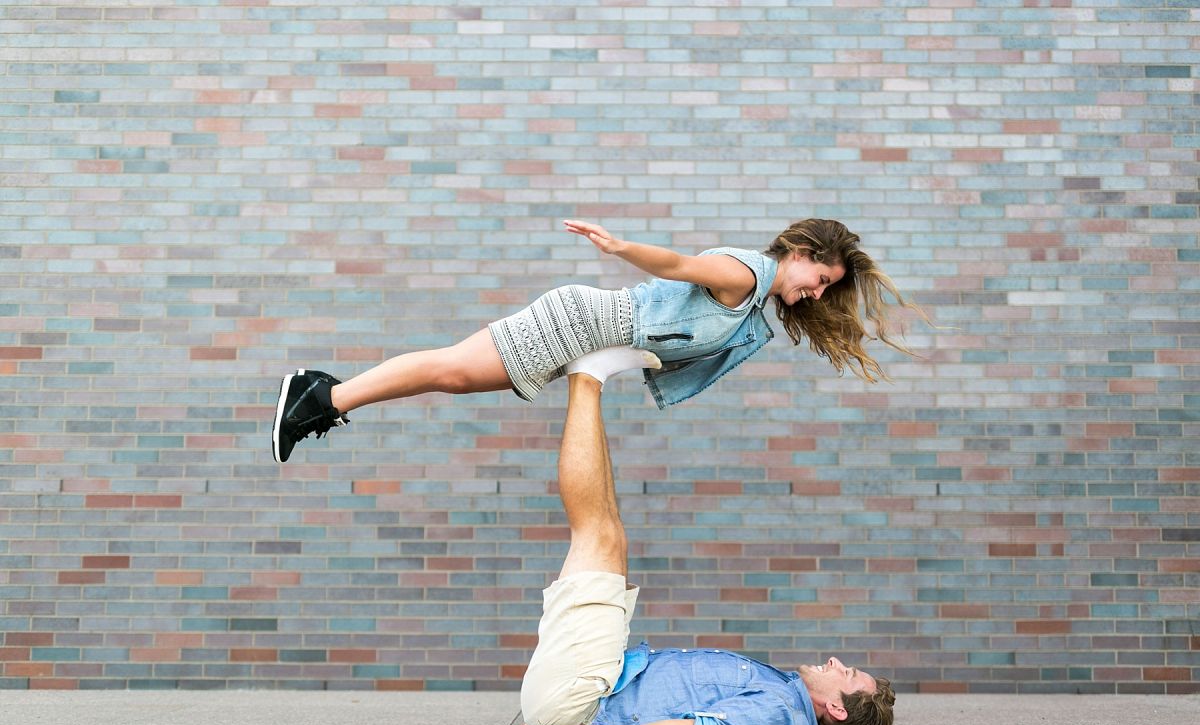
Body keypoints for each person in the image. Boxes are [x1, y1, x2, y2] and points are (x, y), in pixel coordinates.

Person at [272, 218, 922, 462]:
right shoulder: (747, 272)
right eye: (819, 279)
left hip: (589, 334)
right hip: (582, 322)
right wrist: (623, 247)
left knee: (452, 373)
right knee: (451, 371)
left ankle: (327, 398)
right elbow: (677, 265)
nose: (815, 293)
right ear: (801, 251)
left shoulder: (757, 309)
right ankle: (320, 397)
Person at [504, 353, 895, 725]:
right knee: (612, 535)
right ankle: (590, 375)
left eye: (845, 672)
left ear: (836, 708)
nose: (835, 661)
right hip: (593, 685)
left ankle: (587, 372)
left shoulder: (777, 714)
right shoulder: (784, 692)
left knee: (598, 535)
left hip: (583, 700)